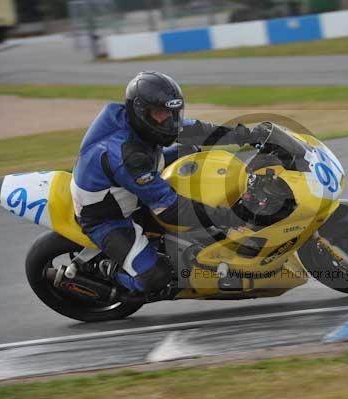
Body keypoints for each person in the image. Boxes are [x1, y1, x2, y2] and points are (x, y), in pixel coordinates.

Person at [69, 71, 252, 298]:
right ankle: (108, 271)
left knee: (191, 153)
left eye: (172, 113)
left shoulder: (136, 122)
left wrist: (242, 135)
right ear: (140, 111)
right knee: (156, 278)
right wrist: (229, 216)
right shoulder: (127, 156)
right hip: (107, 217)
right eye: (160, 113)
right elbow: (170, 210)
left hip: (135, 173)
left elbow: (193, 129)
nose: (169, 121)